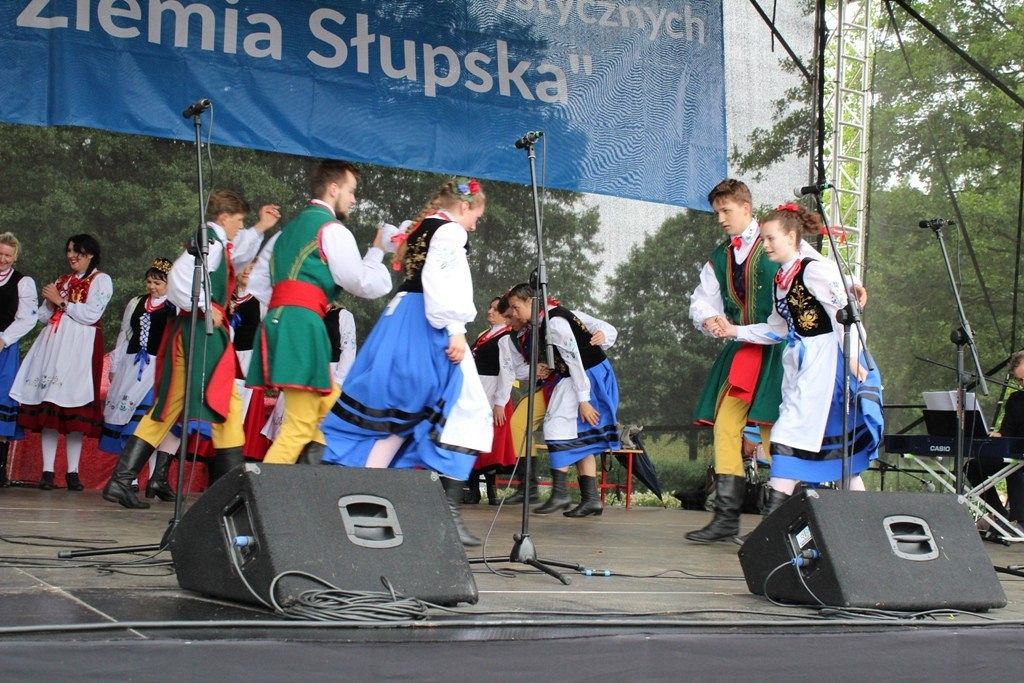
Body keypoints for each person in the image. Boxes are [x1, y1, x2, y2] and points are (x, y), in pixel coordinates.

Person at [687, 178, 867, 543]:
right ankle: (729, 516)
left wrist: (850, 290)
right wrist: (711, 320)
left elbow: (820, 273)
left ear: (746, 208)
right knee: (728, 425)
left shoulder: (784, 242)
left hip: (792, 354)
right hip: (750, 344)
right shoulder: (722, 257)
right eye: (717, 212)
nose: (721, 219)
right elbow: (704, 301)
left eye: (726, 211)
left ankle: (795, 520)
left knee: (784, 435)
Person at [321, 177, 492, 546]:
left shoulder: (420, 227)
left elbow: (404, 251)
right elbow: (442, 279)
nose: (475, 225)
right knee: (462, 407)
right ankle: (442, 512)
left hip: (402, 320)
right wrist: (455, 329)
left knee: (400, 418)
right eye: (476, 216)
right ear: (464, 207)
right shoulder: (449, 232)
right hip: (427, 324)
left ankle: (365, 503)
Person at [102, 190, 279, 509]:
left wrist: (260, 228)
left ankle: (121, 479)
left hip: (187, 331)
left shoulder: (216, 242)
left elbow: (235, 254)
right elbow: (180, 277)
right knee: (226, 401)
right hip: (202, 332)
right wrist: (205, 306)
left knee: (169, 406)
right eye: (239, 220)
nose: (241, 226)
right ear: (224, 217)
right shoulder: (210, 240)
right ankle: (232, 492)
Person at [709, 204, 883, 511]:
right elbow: (777, 328)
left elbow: (846, 316)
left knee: (787, 436)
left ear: (791, 237)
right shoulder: (781, 281)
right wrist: (734, 331)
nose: (765, 245)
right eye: (762, 239)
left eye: (770, 238)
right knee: (835, 453)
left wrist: (854, 358)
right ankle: (864, 522)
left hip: (828, 365)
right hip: (804, 366)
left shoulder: (812, 270)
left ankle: (774, 521)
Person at [246, 160, 391, 466]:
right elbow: (361, 282)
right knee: (301, 425)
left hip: (282, 322)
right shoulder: (332, 230)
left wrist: (286, 309)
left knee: (332, 412)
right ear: (333, 189)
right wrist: (378, 250)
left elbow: (258, 285)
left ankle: (316, 481)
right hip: (303, 325)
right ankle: (264, 491)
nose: (353, 199)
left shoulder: (284, 234)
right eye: (351, 191)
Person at [503, 284, 621, 518]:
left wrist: (584, 400)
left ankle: (561, 493)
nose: (513, 313)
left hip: (588, 376)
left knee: (558, 427)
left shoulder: (554, 323)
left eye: (515, 308)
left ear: (531, 302)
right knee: (576, 435)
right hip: (574, 376)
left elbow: (575, 360)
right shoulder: (541, 323)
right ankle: (590, 499)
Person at [12, 234, 111, 491]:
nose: (71, 256)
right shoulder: (62, 280)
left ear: (90, 254)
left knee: (75, 408)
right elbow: (45, 316)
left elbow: (91, 314)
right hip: (54, 347)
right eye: (69, 251)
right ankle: (47, 471)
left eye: (76, 251)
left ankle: (72, 471)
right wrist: (39, 302)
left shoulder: (101, 280)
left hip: (81, 349)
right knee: (51, 407)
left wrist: (61, 301)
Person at [99, 258, 180, 500]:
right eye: (149, 282)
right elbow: (125, 333)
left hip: (158, 367)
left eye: (158, 283)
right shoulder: (136, 303)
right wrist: (115, 366)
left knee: (149, 420)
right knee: (127, 419)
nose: (152, 287)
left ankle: (154, 477)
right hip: (131, 366)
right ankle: (131, 478)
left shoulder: (174, 306)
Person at [466, 297, 517, 504]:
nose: (490, 311)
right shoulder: (485, 335)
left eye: (495, 309)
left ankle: (492, 491)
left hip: (493, 392)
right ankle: (473, 490)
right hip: (477, 391)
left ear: (506, 315)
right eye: (490, 307)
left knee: (491, 442)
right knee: (471, 440)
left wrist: (499, 402)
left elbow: (507, 372)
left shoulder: (506, 338)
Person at [0, 233, 38, 487]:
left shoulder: (23, 282)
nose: (2, 259)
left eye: (7, 255)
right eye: (0, 254)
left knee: (2, 399)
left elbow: (28, 317)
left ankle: (0, 468)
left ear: (15, 257)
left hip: (4, 347)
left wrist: (4, 339)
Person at [970, 351, 1024, 530]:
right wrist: (996, 435)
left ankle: (1020, 523)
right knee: (973, 466)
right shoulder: (1015, 400)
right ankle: (1000, 516)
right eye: (1020, 380)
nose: (1023, 383)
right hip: (1015, 454)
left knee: (1016, 468)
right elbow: (1007, 431)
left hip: (1018, 461)